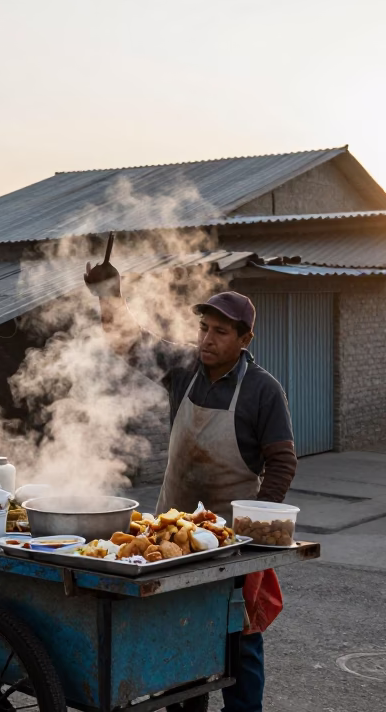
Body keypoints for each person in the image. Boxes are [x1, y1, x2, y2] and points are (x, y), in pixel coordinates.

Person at [84, 256, 295, 712]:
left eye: (221, 332)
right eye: (204, 328)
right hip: (171, 538)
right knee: (176, 638)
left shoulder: (263, 390)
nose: (207, 339)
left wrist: (255, 524)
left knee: (238, 638)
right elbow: (128, 342)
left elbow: (282, 463)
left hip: (230, 543)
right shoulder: (183, 368)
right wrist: (108, 296)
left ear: (244, 340)